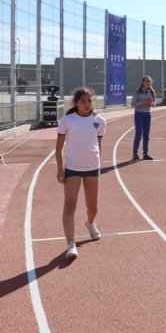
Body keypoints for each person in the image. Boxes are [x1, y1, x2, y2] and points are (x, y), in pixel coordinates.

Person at [55, 87, 106, 260]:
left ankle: (90, 223)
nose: (87, 104)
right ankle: (71, 244)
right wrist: (60, 168)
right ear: (76, 103)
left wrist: (97, 160)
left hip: (92, 167)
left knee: (93, 207)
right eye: (83, 101)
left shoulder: (99, 121)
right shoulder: (67, 120)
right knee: (70, 206)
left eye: (89, 101)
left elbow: (98, 143)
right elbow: (59, 146)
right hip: (73, 168)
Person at [132, 76, 156, 161]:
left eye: (149, 82)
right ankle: (135, 154)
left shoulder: (151, 91)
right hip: (139, 114)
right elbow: (133, 104)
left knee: (146, 135)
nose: (148, 83)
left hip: (147, 115)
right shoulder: (137, 92)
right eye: (146, 81)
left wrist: (151, 103)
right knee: (138, 134)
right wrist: (144, 102)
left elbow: (154, 104)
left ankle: (145, 153)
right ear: (143, 82)